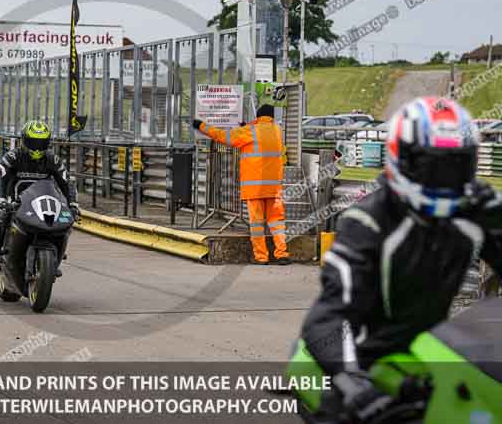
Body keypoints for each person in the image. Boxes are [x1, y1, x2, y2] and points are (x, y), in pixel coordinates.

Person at [295, 97, 502, 421]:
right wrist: (351, 381)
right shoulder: (368, 221)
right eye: (431, 166)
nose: (443, 179)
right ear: (401, 159)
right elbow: (327, 315)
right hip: (360, 357)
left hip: (433, 352)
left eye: (455, 166)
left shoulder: (474, 210)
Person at [193, 104, 290, 265]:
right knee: (277, 223)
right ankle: (282, 253)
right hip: (274, 188)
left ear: (258, 117)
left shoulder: (251, 131)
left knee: (257, 224)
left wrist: (201, 125)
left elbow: (223, 136)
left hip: (255, 188)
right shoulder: (277, 131)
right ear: (272, 117)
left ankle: (261, 257)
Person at [0, 120, 80, 268]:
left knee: (66, 224)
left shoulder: (52, 159)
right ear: (24, 140)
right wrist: (1, 200)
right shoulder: (12, 157)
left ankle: (56, 254)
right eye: (33, 142)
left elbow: (67, 183)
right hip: (17, 202)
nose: (37, 147)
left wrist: (72, 204)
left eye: (41, 143)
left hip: (43, 202)